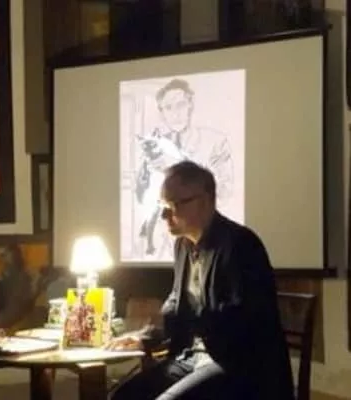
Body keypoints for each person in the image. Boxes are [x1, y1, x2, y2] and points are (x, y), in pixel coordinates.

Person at [109, 161, 294, 400]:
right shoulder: (183, 246)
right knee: (124, 396)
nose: (164, 215)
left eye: (173, 205)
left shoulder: (241, 245)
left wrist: (190, 318)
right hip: (193, 357)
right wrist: (145, 337)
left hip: (236, 365)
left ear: (205, 201)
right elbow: (176, 305)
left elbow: (244, 320)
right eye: (162, 206)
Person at [135, 78, 234, 256]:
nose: (175, 113)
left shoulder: (216, 141)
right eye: (168, 108)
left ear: (190, 105)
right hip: (159, 244)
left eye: (180, 105)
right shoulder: (153, 144)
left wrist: (171, 165)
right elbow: (140, 194)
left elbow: (224, 192)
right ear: (161, 112)